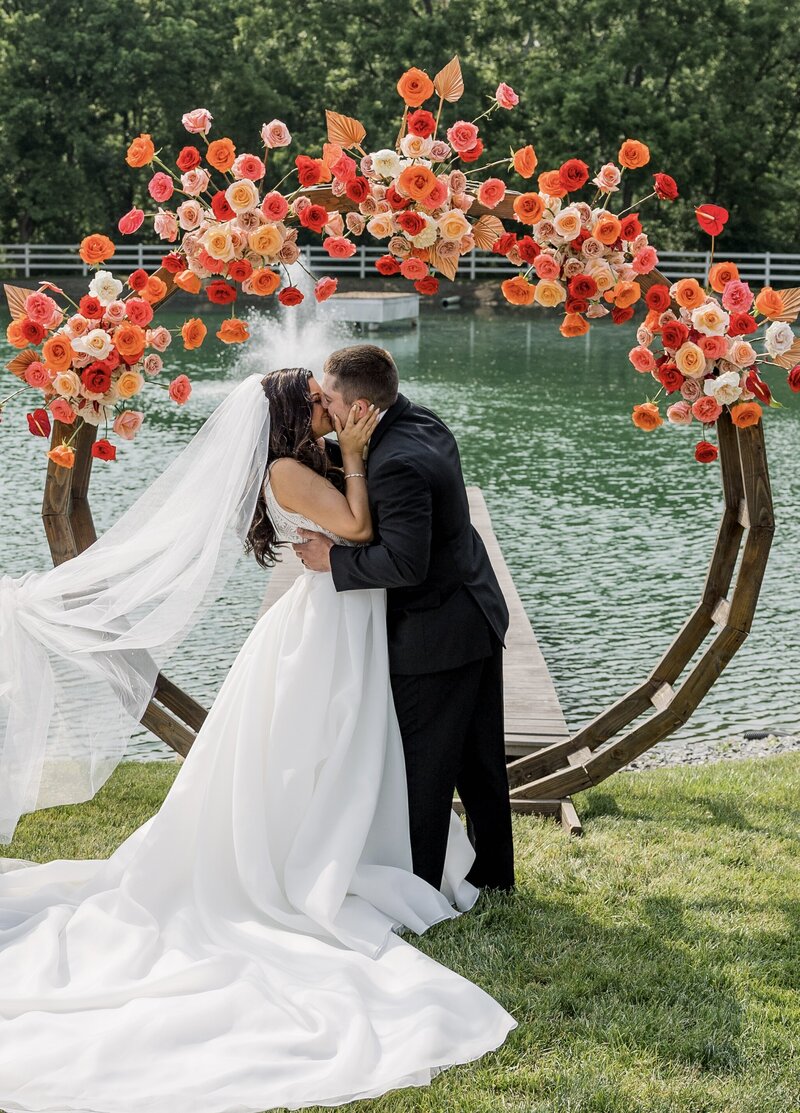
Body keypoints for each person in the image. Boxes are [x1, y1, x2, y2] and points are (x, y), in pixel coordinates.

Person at [0, 368, 516, 1112]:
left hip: (350, 615)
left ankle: (377, 847)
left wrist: (353, 456)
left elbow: (362, 529)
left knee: (350, 745)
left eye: (330, 399)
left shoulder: (314, 456)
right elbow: (364, 531)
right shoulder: (289, 467)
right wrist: (360, 459)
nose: (328, 410)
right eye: (317, 403)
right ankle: (330, 855)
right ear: (290, 414)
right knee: (325, 743)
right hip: (332, 624)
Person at [296, 344, 516, 892]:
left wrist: (333, 559)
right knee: (481, 761)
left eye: (330, 400)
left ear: (362, 406)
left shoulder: (395, 464)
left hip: (436, 632)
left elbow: (404, 563)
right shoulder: (421, 420)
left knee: (425, 768)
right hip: (476, 610)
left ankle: (417, 888)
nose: (325, 408)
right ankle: (495, 875)